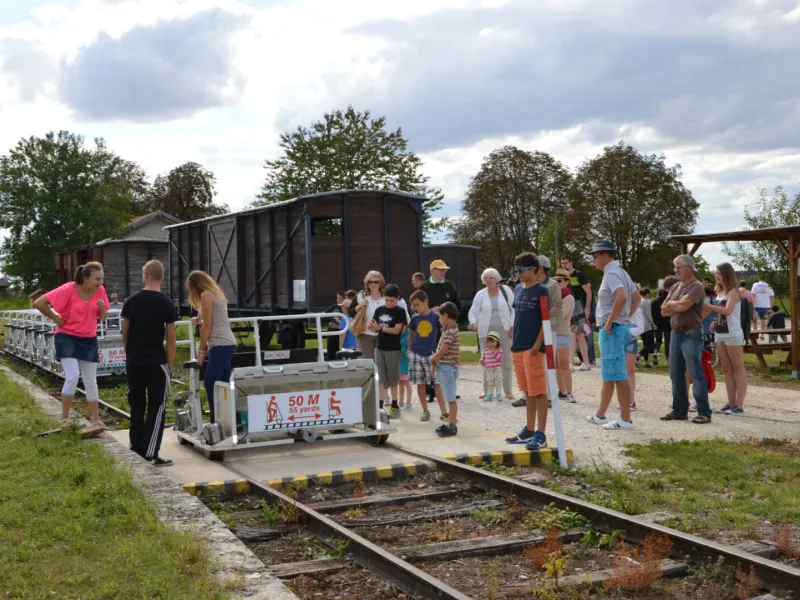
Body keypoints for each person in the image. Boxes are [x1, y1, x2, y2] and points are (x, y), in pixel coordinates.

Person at [34, 262, 109, 433]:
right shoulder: (68, 289)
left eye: (102, 278)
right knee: (73, 375)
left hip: (89, 338)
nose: (100, 282)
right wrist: (56, 319)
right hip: (67, 336)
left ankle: (96, 420)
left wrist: (102, 308)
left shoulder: (100, 291)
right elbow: (39, 303)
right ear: (85, 277)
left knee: (91, 380)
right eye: (97, 279)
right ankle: (65, 419)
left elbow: (103, 317)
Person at [121, 260, 177, 466]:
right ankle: (150, 452)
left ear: (145, 275)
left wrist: (130, 353)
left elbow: (125, 333)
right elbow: (171, 339)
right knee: (157, 406)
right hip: (156, 361)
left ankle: (135, 447)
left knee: (136, 405)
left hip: (134, 361)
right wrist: (170, 364)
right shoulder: (166, 303)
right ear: (161, 277)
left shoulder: (130, 301)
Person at [585, 241, 639, 430]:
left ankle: (625, 419)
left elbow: (622, 296)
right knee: (610, 374)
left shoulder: (612, 273)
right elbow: (636, 297)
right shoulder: (621, 272)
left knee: (618, 375)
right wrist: (625, 316)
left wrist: (610, 322)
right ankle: (600, 414)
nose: (593, 259)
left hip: (613, 329)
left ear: (605, 255)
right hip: (618, 327)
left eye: (595, 255)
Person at [659, 255, 713, 424]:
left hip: (691, 333)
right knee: (675, 374)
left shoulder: (697, 286)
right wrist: (676, 304)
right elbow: (663, 310)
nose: (676, 270)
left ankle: (704, 412)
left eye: (679, 267)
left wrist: (673, 304)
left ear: (689, 268)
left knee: (695, 373)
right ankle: (679, 410)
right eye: (675, 267)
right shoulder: (676, 286)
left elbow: (684, 306)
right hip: (675, 333)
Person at [504, 253, 549, 450]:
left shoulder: (542, 291)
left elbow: (545, 321)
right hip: (518, 347)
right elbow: (517, 317)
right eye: (516, 270)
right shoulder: (519, 290)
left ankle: (541, 433)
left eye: (521, 270)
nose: (518, 274)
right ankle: (529, 430)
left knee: (539, 391)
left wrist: (537, 346)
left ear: (533, 269)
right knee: (527, 391)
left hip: (533, 348)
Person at [186, 270, 236, 423]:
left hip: (220, 344)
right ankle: (231, 420)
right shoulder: (214, 294)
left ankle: (216, 421)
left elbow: (207, 325)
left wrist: (201, 350)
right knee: (224, 383)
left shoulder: (206, 295)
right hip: (227, 343)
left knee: (210, 383)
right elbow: (206, 314)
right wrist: (197, 318)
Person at [468, 268, 515, 401]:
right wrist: (473, 323)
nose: (489, 280)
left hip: (504, 328)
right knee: (486, 358)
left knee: (506, 358)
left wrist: (512, 325)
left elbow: (514, 309)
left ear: (497, 279)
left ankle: (507, 390)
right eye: (486, 278)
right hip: (486, 330)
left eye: (491, 277)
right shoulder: (480, 294)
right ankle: (487, 390)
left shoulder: (506, 290)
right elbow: (473, 311)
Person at [707, 263, 747, 415]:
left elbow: (728, 311)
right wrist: (714, 321)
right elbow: (721, 312)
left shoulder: (733, 291)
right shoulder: (720, 291)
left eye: (719, 273)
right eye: (715, 273)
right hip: (720, 334)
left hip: (733, 334)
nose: (716, 276)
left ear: (726, 274)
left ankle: (739, 406)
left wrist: (708, 307)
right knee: (727, 369)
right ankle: (731, 403)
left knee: (738, 368)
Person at [368, 283, 408, 418]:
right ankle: (379, 407)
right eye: (387, 300)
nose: (389, 303)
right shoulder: (379, 310)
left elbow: (396, 330)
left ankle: (395, 406)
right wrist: (372, 326)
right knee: (380, 378)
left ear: (397, 299)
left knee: (392, 380)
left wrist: (379, 328)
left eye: (392, 300)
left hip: (393, 349)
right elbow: (373, 325)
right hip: (380, 347)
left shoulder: (400, 312)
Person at [408, 290, 447, 421]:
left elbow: (443, 333)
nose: (415, 307)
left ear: (425, 302)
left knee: (437, 384)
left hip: (432, 355)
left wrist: (442, 351)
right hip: (416, 354)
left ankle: (444, 412)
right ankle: (425, 411)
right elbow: (411, 335)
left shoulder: (435, 317)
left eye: (417, 304)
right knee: (420, 384)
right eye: (413, 305)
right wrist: (409, 351)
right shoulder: (414, 318)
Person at [430, 301, 460, 437]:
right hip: (444, 367)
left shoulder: (450, 332)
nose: (439, 320)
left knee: (451, 398)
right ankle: (451, 424)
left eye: (440, 317)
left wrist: (432, 359)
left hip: (447, 368)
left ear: (445, 315)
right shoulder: (449, 330)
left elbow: (442, 351)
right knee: (449, 396)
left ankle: (452, 426)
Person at [560, 257, 592, 372]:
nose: (564, 265)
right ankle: (575, 362)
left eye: (566, 263)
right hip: (569, 303)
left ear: (571, 262)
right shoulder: (562, 275)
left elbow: (588, 291)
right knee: (574, 334)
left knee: (578, 334)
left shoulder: (578, 275)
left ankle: (583, 362)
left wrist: (587, 307)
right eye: (562, 263)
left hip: (578, 305)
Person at [553, 269, 576, 403]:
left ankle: (569, 392)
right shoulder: (555, 296)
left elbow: (559, 316)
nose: (557, 283)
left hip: (562, 333)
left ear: (567, 282)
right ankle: (561, 391)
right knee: (556, 364)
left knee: (564, 364)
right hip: (553, 333)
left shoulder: (568, 297)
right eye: (556, 281)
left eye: (560, 281)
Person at [355, 271, 386, 359]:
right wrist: (360, 305)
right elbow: (351, 312)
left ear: (380, 283)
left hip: (382, 334)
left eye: (376, 282)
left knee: (381, 362)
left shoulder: (386, 296)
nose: (373, 284)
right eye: (370, 282)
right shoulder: (361, 296)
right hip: (364, 333)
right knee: (367, 362)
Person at [651, 276, 678, 365]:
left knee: (658, 340)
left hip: (657, 323)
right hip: (667, 323)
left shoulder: (654, 302)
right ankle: (667, 358)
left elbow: (652, 313)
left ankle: (655, 353)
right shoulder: (668, 302)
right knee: (667, 341)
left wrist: (654, 322)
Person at [626, 295, 644, 410]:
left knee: (629, 371)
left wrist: (624, 331)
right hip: (616, 342)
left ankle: (631, 401)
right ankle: (623, 399)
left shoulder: (637, 310)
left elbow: (640, 329)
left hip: (630, 341)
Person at [481, 331, 505, 401]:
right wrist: (482, 361)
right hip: (489, 370)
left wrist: (494, 351)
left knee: (498, 383)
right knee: (490, 383)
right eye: (489, 342)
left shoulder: (499, 350)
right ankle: (489, 395)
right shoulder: (486, 350)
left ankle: (499, 395)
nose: (491, 343)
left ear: (497, 343)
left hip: (497, 370)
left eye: (493, 342)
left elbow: (499, 359)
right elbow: (484, 358)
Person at [637, 288, 655, 368]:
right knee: (649, 344)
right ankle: (638, 355)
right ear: (647, 293)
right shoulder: (647, 301)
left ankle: (647, 362)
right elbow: (648, 314)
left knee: (645, 344)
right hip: (647, 325)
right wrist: (653, 323)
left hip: (640, 324)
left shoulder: (639, 301)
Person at [398, 327, 413, 409]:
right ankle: (401, 402)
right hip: (398, 361)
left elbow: (407, 349)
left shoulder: (408, 335)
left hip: (405, 362)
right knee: (400, 383)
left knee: (407, 383)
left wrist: (399, 350)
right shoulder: (397, 333)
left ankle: (408, 403)